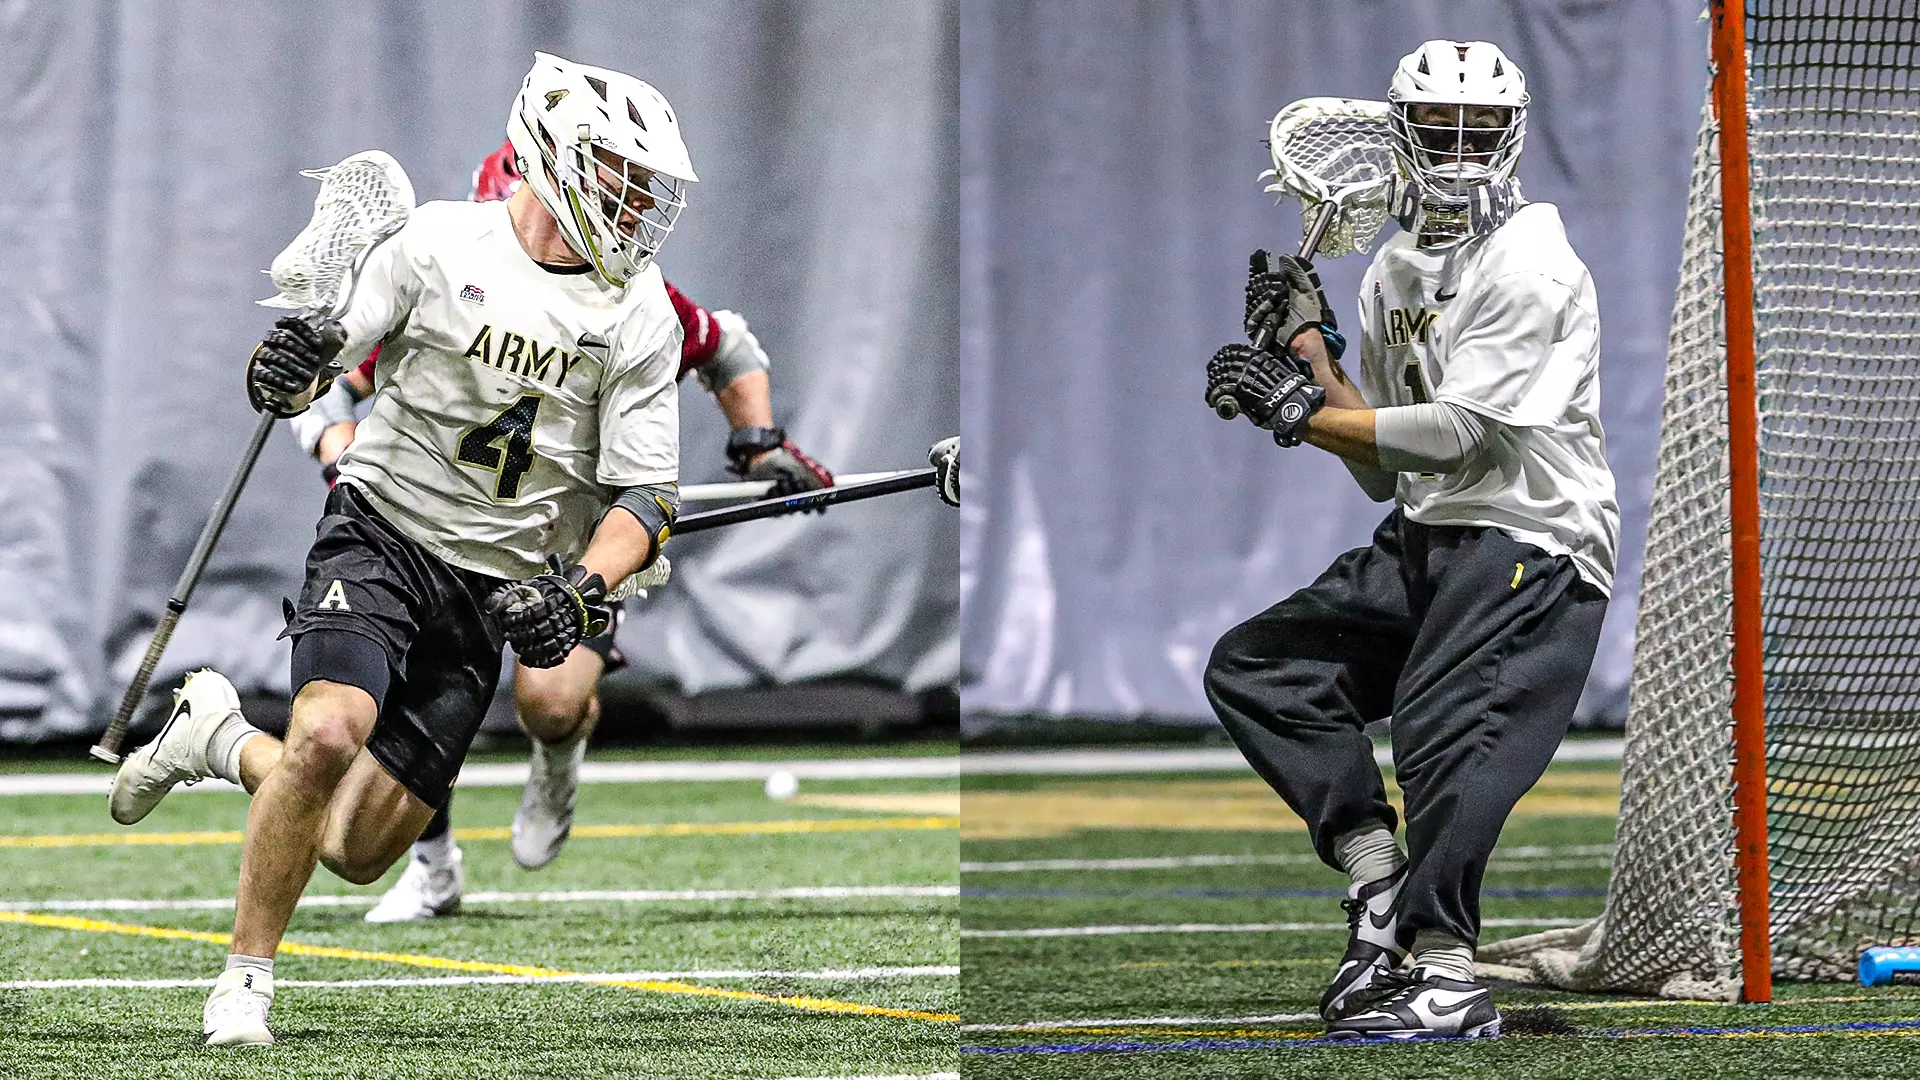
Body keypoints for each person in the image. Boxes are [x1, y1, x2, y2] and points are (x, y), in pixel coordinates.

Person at [108, 53, 699, 1046]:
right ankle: (244, 984)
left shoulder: (640, 310)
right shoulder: (435, 242)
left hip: (494, 584)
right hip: (381, 531)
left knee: (356, 847)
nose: (640, 204)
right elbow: (310, 372)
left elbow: (649, 497)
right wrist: (282, 367)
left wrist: (580, 590)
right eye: (624, 175)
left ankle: (217, 737)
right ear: (556, 154)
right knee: (327, 734)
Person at [284, 141, 833, 924]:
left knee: (549, 699)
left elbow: (726, 347)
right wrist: (338, 447)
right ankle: (433, 865)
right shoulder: (449, 270)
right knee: (399, 688)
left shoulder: (632, 296)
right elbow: (335, 384)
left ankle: (558, 753)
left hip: (568, 543)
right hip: (447, 529)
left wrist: (760, 442)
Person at [1201, 39, 1615, 1040]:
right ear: (1404, 133)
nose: (1461, 149)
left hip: (1531, 537)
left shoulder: (1531, 263)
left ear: (1514, 137)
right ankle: (1377, 885)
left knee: (1442, 730)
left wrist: (1300, 411)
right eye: (1439, 127)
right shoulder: (1392, 270)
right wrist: (1311, 355)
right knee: (1264, 669)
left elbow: (1460, 435)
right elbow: (1387, 466)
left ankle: (1447, 973)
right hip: (1432, 531)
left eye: (1483, 129)